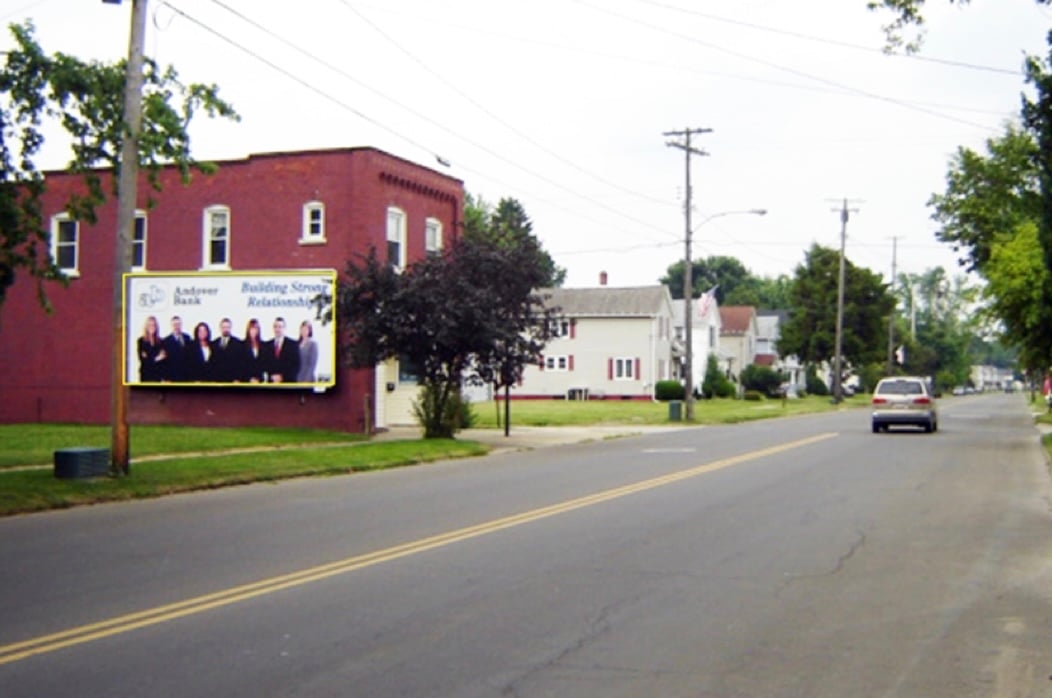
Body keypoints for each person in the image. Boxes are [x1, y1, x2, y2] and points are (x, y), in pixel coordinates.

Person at [263, 316, 299, 384]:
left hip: (288, 385)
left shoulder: (293, 345)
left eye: (280, 327)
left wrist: (282, 377)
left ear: (284, 328)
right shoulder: (267, 345)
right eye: (275, 326)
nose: (277, 329)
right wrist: (272, 376)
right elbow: (264, 364)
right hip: (271, 385)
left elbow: (296, 366)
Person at [210, 317, 244, 382]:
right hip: (217, 380)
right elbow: (212, 363)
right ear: (220, 328)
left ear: (231, 328)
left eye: (228, 327)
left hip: (233, 380)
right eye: (224, 327)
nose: (226, 329)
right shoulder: (214, 343)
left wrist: (238, 378)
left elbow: (241, 364)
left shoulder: (238, 343)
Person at [137, 315, 167, 382]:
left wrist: (151, 358)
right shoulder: (141, 341)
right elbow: (144, 361)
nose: (152, 327)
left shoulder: (161, 341)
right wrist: (157, 358)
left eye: (154, 325)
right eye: (150, 325)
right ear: (146, 327)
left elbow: (163, 359)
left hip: (158, 376)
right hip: (146, 375)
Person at [161, 315, 192, 381]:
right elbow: (164, 362)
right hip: (173, 377)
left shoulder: (187, 338)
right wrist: (166, 378)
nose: (176, 327)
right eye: (174, 324)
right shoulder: (166, 341)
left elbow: (190, 358)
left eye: (178, 324)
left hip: (187, 376)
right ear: (171, 326)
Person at [242, 318, 266, 383]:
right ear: (248, 330)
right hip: (246, 380)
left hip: (260, 380)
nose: (253, 331)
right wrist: (249, 378)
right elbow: (241, 365)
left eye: (256, 328)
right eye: (251, 328)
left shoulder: (264, 345)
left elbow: (265, 363)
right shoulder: (242, 345)